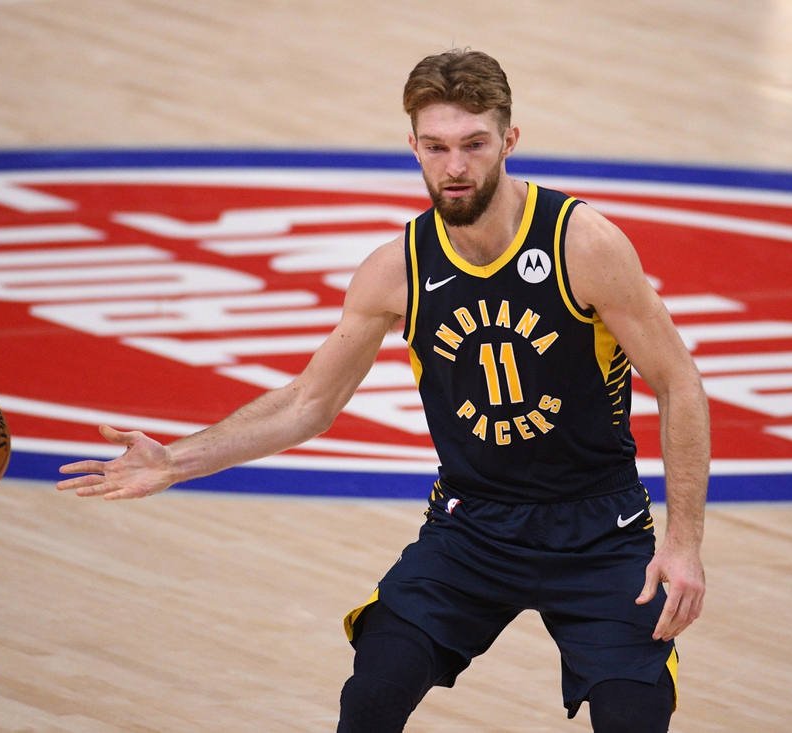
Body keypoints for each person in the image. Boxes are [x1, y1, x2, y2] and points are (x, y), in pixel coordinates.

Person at [57, 49, 709, 733]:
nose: (455, 165)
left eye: (474, 145)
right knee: (369, 698)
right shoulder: (395, 270)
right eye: (436, 146)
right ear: (414, 148)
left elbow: (679, 381)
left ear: (509, 142)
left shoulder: (583, 244)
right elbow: (311, 402)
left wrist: (684, 541)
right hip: (472, 527)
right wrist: (177, 459)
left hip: (598, 533)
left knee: (633, 718)